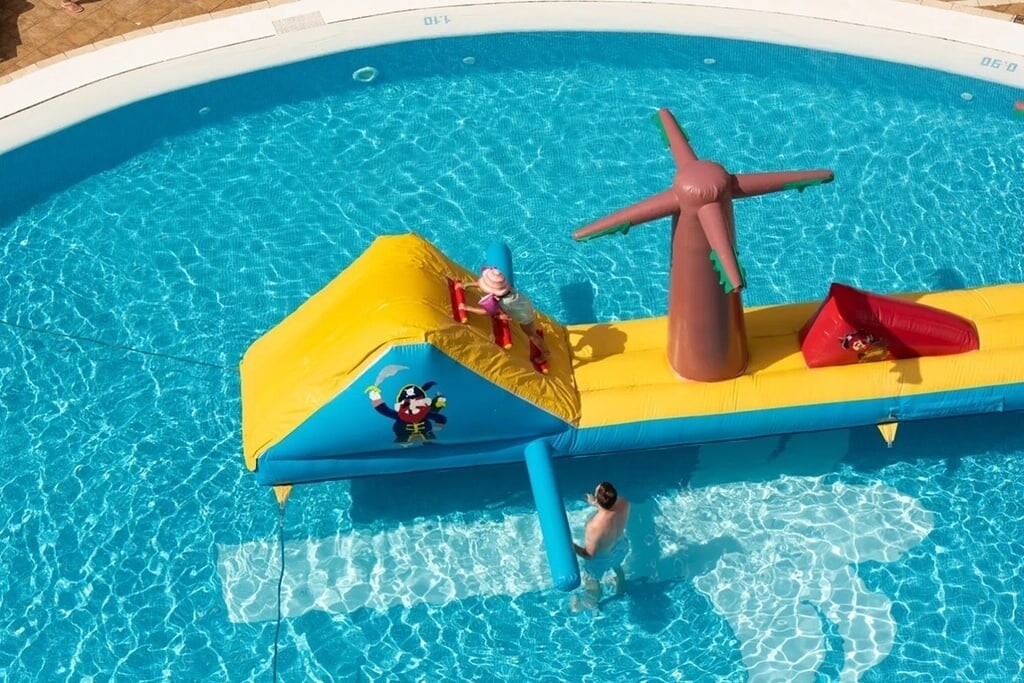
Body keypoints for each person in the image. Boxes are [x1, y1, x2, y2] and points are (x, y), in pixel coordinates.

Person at [461, 266, 550, 362]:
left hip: (525, 317)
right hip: (523, 304)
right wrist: (466, 285)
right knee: (503, 312)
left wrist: (466, 308)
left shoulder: (503, 302)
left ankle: (545, 353)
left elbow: (486, 312)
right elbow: (482, 285)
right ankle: (506, 314)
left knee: (531, 335)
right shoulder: (506, 288)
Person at [571, 481, 630, 612]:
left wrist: (572, 546)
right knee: (617, 566)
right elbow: (610, 512)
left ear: (598, 499)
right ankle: (621, 591)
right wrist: (596, 504)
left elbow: (589, 555)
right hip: (621, 547)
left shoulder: (594, 527)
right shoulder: (624, 503)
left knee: (592, 581)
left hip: (602, 559)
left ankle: (586, 604)